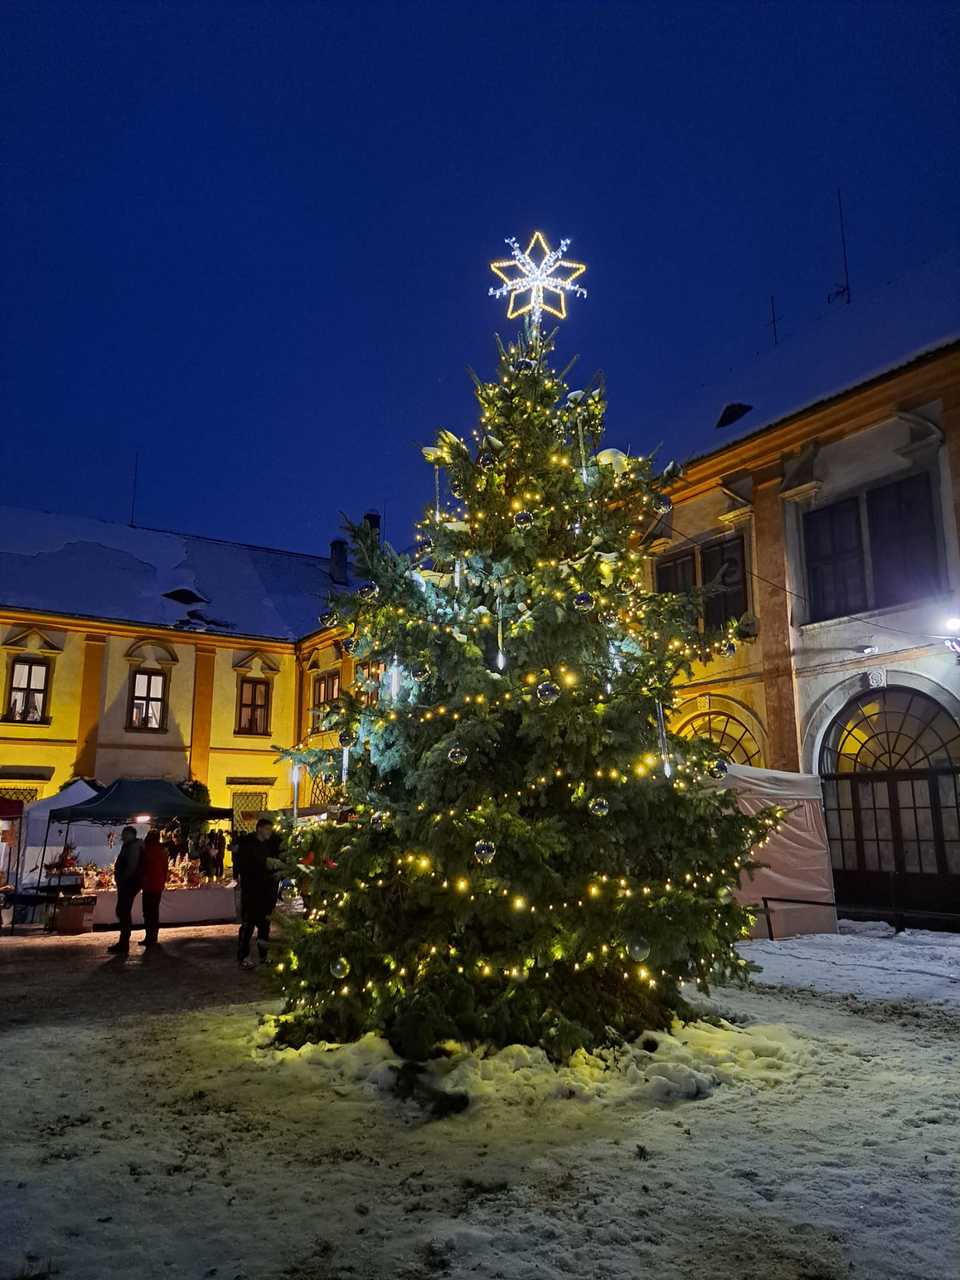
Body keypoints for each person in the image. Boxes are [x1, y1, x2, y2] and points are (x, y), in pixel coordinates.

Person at [234, 816, 281, 969]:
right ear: (259, 828)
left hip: (267, 893)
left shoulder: (269, 845)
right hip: (252, 892)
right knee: (248, 926)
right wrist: (264, 867)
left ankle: (263, 955)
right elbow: (244, 867)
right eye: (268, 829)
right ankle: (243, 956)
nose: (270, 832)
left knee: (264, 926)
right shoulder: (248, 845)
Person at [107, 826, 143, 955]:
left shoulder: (132, 847)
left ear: (132, 835)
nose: (123, 836)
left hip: (129, 884)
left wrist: (122, 879)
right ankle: (123, 942)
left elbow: (131, 867)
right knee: (122, 911)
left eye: (125, 834)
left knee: (123, 911)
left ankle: (124, 943)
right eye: (123, 834)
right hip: (127, 884)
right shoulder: (129, 846)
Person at [139, 828, 169, 947]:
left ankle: (149, 937)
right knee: (154, 911)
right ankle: (153, 937)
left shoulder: (146, 850)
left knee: (147, 912)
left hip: (148, 885)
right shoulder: (163, 851)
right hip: (158, 884)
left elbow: (142, 867)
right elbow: (165, 868)